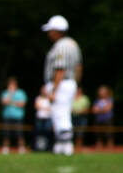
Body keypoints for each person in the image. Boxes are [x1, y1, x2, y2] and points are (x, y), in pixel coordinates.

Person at [41, 14, 82, 156]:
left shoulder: (61, 46)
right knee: (62, 113)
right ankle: (60, 146)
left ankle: (65, 147)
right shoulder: (73, 44)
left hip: (61, 83)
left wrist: (54, 90)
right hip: (69, 83)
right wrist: (76, 84)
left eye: (50, 30)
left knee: (61, 114)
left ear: (57, 30)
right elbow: (78, 67)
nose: (49, 33)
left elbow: (60, 69)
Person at [0, 76, 26, 154]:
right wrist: (11, 94)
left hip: (18, 116)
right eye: (10, 84)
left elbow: (22, 104)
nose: (11, 86)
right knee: (6, 133)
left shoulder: (21, 93)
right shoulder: (5, 93)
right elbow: (4, 102)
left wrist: (10, 102)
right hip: (7, 116)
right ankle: (5, 148)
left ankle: (21, 148)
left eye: (13, 84)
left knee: (19, 133)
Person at [91, 86, 113, 150]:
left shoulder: (110, 99)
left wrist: (99, 110)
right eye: (100, 91)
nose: (100, 92)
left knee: (109, 133)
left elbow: (108, 109)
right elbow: (94, 110)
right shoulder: (97, 100)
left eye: (102, 91)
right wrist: (102, 110)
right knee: (98, 134)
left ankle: (110, 148)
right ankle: (99, 148)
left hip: (108, 119)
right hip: (98, 120)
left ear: (106, 92)